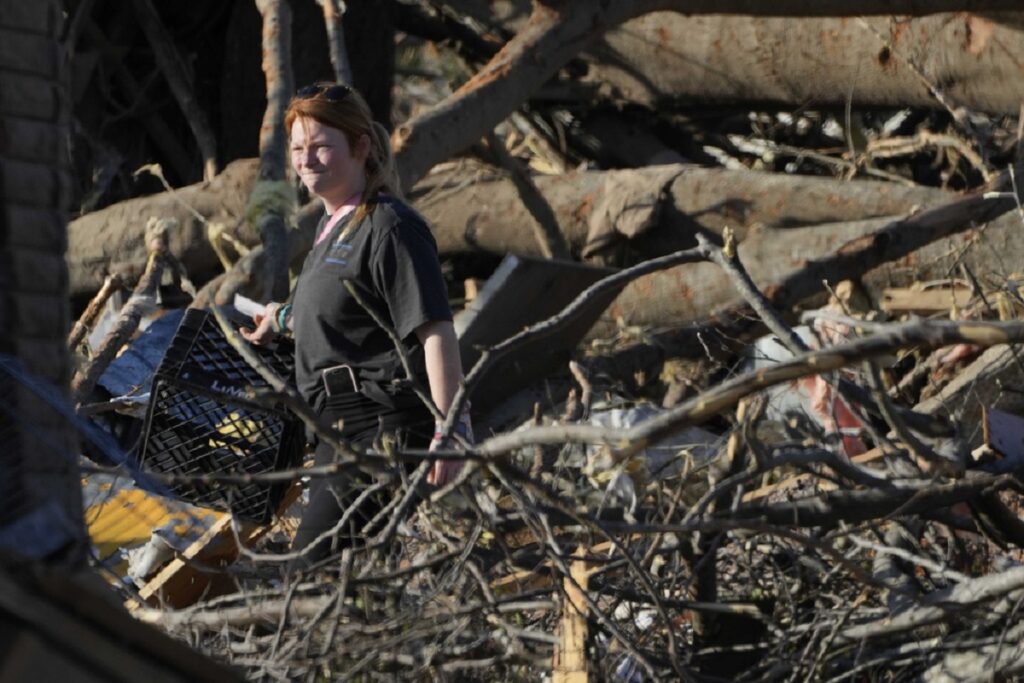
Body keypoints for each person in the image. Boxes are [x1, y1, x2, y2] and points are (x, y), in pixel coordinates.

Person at [240, 82, 471, 566]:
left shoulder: (390, 226)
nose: (307, 160)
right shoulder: (329, 229)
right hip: (334, 430)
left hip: (380, 426)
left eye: (322, 146)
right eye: (299, 149)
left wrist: (449, 430)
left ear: (361, 146)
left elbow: (435, 329)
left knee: (309, 571)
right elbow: (335, 312)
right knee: (356, 583)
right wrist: (279, 319)